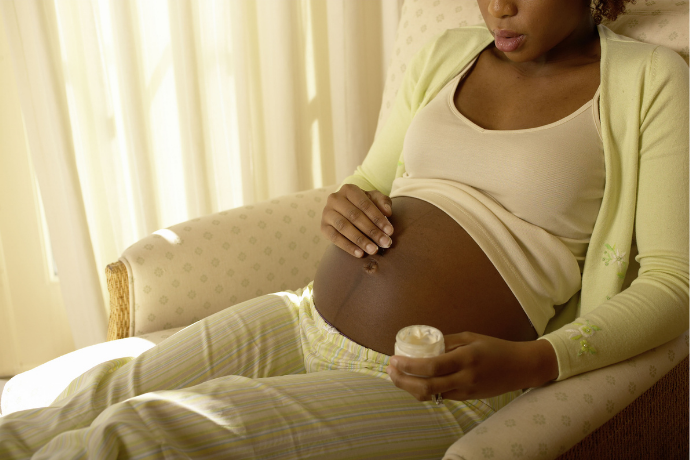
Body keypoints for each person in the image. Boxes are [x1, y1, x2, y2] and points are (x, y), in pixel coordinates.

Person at [1, 0, 687, 458]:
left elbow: (673, 281)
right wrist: (347, 202)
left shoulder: (648, 80)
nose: (496, 6)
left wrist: (539, 360)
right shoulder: (448, 53)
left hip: (434, 385)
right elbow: (373, 176)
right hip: (304, 317)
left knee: (138, 434)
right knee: (108, 392)